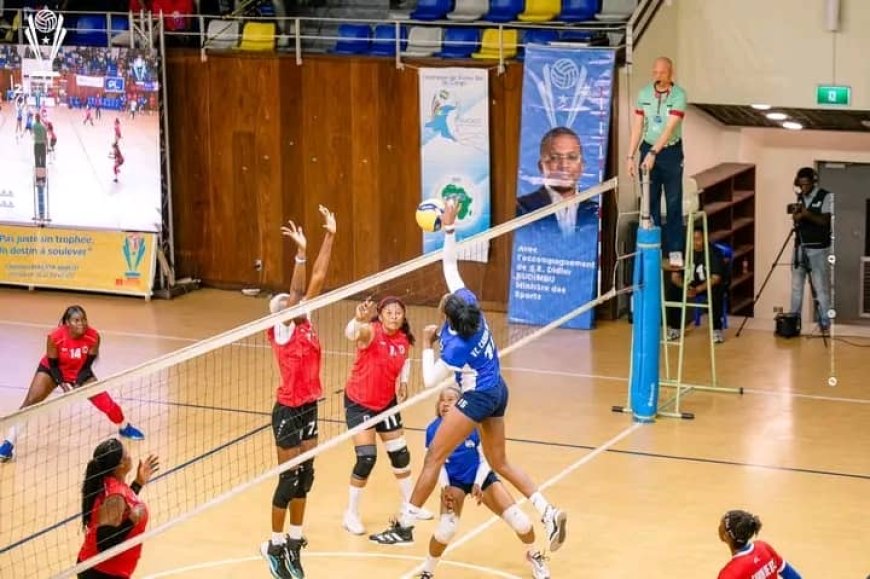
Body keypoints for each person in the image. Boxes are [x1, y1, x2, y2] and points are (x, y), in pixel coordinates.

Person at [370, 200, 567, 552]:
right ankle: (547, 510)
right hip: (498, 388)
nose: (445, 297)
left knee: (434, 457)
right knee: (500, 461)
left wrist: (428, 344)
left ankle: (406, 522)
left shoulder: (454, 345)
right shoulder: (472, 310)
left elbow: (431, 381)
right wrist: (449, 229)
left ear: (447, 317)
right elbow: (450, 268)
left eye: (444, 303)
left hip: (479, 397)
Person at [260, 205, 336, 579]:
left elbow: (317, 280)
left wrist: (330, 236)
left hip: (308, 408)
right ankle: (273, 545)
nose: (296, 304)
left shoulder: (305, 321)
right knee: (288, 480)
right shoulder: (285, 329)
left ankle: (294, 542)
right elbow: (297, 289)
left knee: (306, 476)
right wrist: (300, 253)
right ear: (280, 314)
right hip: (287, 410)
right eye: (288, 305)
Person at [415, 387, 550, 579]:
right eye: (442, 400)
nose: (445, 403)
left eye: (451, 399)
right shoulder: (432, 429)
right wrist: (444, 487)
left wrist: (478, 482)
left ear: (462, 404)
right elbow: (434, 464)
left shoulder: (475, 426)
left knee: (521, 522)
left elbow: (487, 458)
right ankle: (427, 571)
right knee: (446, 529)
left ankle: (534, 554)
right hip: (454, 481)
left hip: (481, 475)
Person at [0, 306, 145, 462]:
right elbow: (53, 365)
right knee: (30, 403)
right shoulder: (55, 337)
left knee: (107, 403)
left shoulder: (93, 336)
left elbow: (87, 366)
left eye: (84, 319)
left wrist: (78, 382)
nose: (81, 323)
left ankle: (124, 427)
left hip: (80, 371)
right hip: (52, 370)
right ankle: (8, 443)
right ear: (67, 323)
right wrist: (63, 385)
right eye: (76, 320)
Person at [342, 295, 433, 535]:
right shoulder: (370, 331)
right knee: (366, 458)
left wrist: (402, 382)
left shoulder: (404, 339)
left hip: (386, 404)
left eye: (398, 313)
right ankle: (351, 514)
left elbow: (404, 360)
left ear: (403, 317)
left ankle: (409, 505)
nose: (394, 317)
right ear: (380, 315)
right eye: (389, 313)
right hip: (360, 403)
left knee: (400, 455)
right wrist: (357, 319)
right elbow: (351, 333)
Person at [627, 56, 688, 268]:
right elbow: (637, 126)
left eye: (662, 72)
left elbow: (669, 127)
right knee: (649, 200)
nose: (657, 76)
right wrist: (630, 155)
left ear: (670, 73)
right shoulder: (644, 94)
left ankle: (675, 249)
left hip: (670, 152)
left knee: (673, 201)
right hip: (648, 147)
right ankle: (653, 247)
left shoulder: (679, 95)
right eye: (655, 72)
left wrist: (653, 153)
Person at [77, 438, 159, 579]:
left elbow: (123, 509)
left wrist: (138, 484)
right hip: (102, 573)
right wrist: (132, 521)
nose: (130, 456)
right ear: (121, 464)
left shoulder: (110, 484)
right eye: (127, 453)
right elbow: (104, 543)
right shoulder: (115, 495)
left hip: (100, 569)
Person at [516, 126, 594, 236]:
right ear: (541, 166)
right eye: (554, 158)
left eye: (571, 157)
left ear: (582, 166)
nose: (564, 165)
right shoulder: (522, 208)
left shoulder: (595, 212)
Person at [665, 227, 727, 344]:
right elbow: (675, 277)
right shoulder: (681, 251)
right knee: (673, 289)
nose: (695, 242)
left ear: (704, 238)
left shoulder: (713, 252)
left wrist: (698, 289)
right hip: (688, 284)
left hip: (705, 285)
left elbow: (715, 277)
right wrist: (685, 286)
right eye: (692, 239)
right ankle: (674, 327)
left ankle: (716, 329)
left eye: (698, 239)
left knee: (717, 291)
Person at [789, 167, 832, 333]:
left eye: (806, 184)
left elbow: (825, 221)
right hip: (800, 246)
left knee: (820, 287)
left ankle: (824, 322)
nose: (803, 188)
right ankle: (793, 322)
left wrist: (806, 215)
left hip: (818, 250)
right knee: (796, 287)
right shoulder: (800, 197)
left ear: (813, 182)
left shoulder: (825, 196)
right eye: (801, 185)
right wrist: (797, 217)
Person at [717, 510, 802, 579]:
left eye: (721, 525)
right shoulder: (763, 547)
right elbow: (793, 576)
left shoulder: (729, 574)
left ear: (726, 536)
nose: (719, 527)